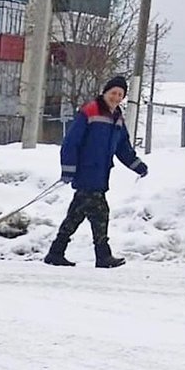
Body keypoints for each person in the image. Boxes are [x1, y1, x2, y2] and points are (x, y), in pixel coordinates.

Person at [44, 75, 148, 268]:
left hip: (101, 174)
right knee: (101, 212)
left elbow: (123, 147)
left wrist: (137, 166)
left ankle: (56, 252)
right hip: (86, 172)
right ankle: (102, 256)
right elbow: (70, 143)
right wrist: (68, 169)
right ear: (105, 93)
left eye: (120, 94)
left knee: (76, 214)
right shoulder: (90, 111)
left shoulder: (117, 117)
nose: (116, 97)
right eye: (113, 93)